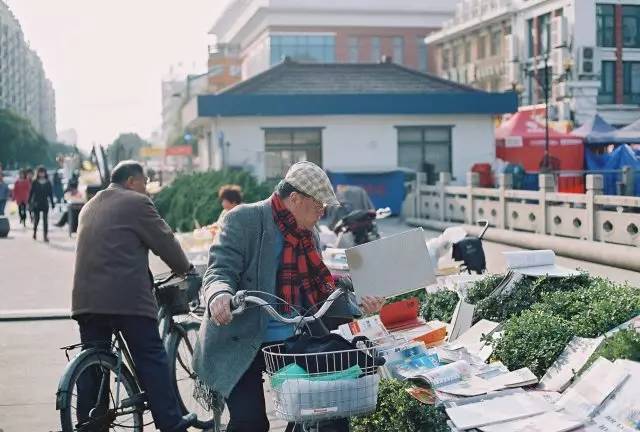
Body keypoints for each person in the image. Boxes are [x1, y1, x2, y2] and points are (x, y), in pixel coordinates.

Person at [193, 161, 384, 432]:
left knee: (324, 410)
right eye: (319, 204)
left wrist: (361, 303)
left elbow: (322, 290)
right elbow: (219, 270)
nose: (323, 211)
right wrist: (219, 296)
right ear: (294, 199)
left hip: (289, 338)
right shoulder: (244, 219)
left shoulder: (310, 234)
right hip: (240, 335)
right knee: (251, 422)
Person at [71, 160, 197, 432]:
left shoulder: (90, 205)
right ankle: (171, 423)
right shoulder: (136, 203)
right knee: (151, 357)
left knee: (95, 363)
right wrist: (185, 269)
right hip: (125, 301)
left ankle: (89, 424)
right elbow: (165, 242)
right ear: (131, 181)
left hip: (85, 302)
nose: (147, 188)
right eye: (144, 182)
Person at [28, 166, 54, 241]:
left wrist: (52, 203)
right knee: (37, 219)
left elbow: (50, 194)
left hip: (45, 203)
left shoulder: (48, 182)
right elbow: (31, 192)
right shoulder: (34, 182)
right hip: (36, 203)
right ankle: (34, 233)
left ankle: (45, 236)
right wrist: (29, 202)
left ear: (45, 173)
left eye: (43, 172)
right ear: (38, 173)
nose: (41, 174)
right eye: (40, 172)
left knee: (45, 220)